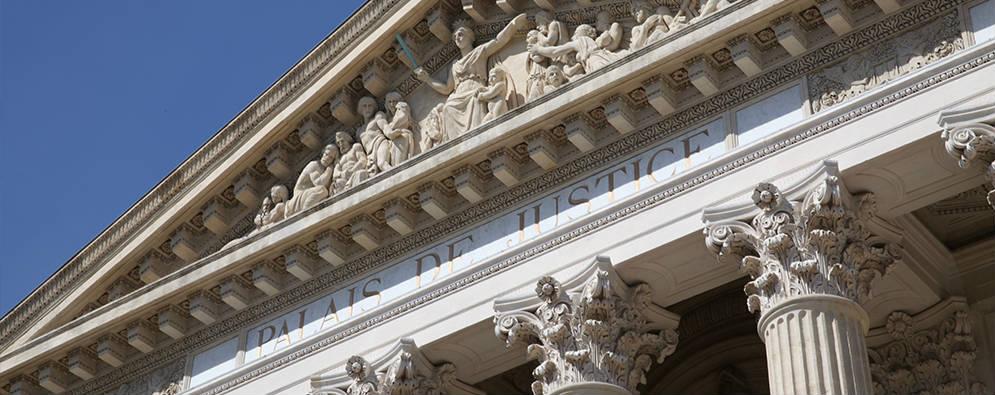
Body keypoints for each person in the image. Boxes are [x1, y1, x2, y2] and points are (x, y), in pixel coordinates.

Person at [414, 14, 528, 139]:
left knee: (476, 100)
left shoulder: (479, 52)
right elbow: (447, 88)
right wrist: (427, 79)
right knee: (448, 107)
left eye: (461, 34)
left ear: (471, 37)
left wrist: (513, 25)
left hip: (474, 91)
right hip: (459, 95)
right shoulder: (454, 65)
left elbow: (498, 41)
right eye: (455, 36)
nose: (457, 38)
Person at [529, 24, 620, 76]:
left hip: (596, 63)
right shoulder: (594, 42)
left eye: (576, 33)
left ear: (583, 33)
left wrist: (538, 49)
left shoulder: (580, 41)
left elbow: (554, 52)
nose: (572, 37)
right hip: (605, 58)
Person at [285, 144, 336, 216]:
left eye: (331, 157)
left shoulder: (324, 170)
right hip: (298, 200)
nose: (327, 158)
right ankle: (305, 212)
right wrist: (329, 170)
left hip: (309, 196)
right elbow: (319, 183)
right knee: (322, 190)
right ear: (323, 153)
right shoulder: (314, 165)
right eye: (326, 154)